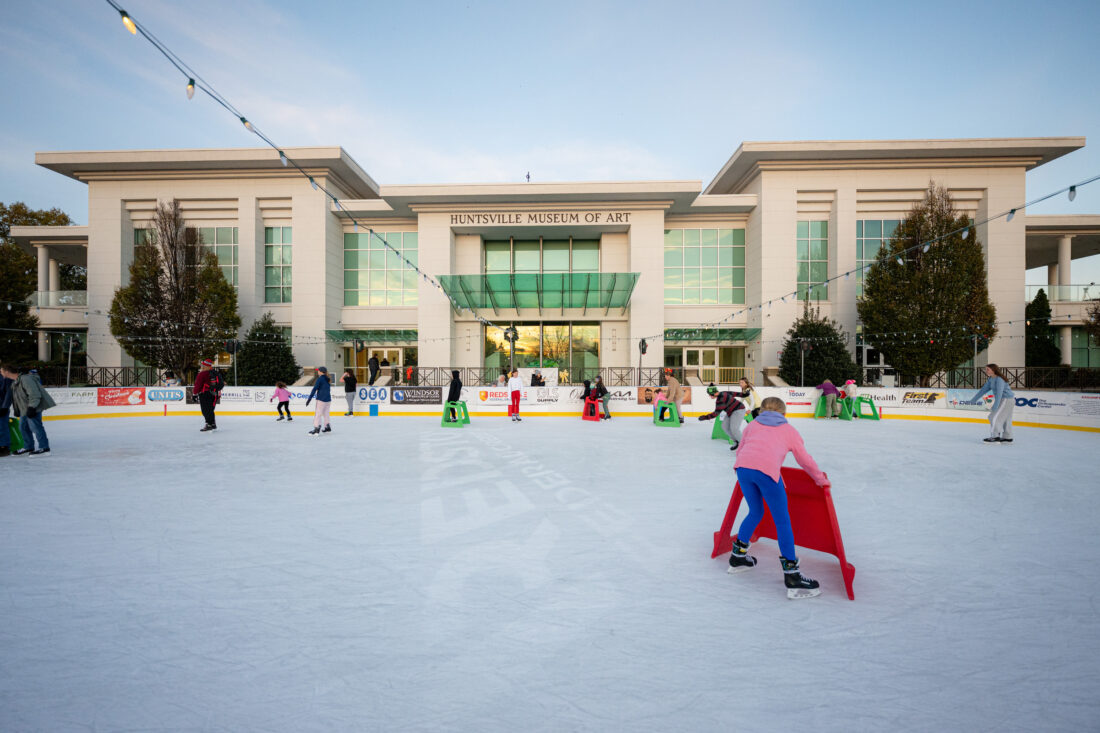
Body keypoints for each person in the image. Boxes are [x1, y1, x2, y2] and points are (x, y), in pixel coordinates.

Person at [729, 396, 829, 599]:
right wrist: (820, 479)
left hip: (742, 469)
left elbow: (740, 450)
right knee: (782, 522)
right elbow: (805, 460)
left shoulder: (753, 424)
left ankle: (737, 556)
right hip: (765, 473)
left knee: (755, 512)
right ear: (784, 414)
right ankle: (792, 575)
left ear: (762, 411)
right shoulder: (788, 430)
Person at [7, 364, 56, 456]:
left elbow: (35, 394)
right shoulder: (16, 382)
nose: (1, 373)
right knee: (23, 427)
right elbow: (18, 397)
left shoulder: (26, 379)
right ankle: (28, 447)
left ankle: (44, 448)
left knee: (36, 427)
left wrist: (32, 407)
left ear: (7, 372)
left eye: (1, 371)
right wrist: (17, 409)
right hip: (25, 408)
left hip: (32, 407)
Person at [966, 364, 1015, 444]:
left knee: (993, 417)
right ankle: (1007, 437)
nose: (986, 371)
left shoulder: (999, 379)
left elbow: (999, 393)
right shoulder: (991, 379)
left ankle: (995, 437)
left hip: (1006, 399)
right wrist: (974, 400)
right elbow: (983, 390)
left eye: (988, 369)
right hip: (1007, 400)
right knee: (1006, 419)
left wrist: (995, 406)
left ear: (993, 370)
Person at [698, 383, 747, 450]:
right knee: (724, 426)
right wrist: (743, 394)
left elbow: (715, 414)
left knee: (734, 429)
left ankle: (744, 446)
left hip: (739, 410)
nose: (709, 396)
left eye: (710, 394)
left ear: (714, 393)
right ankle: (736, 441)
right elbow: (734, 393)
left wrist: (704, 417)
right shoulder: (723, 393)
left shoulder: (720, 401)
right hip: (731, 412)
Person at [193, 359, 223, 432]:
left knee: (205, 410)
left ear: (204, 366)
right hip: (214, 394)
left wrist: (194, 394)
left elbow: (198, 385)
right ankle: (213, 424)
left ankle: (209, 424)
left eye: (202, 365)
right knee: (210, 409)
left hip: (205, 393)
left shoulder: (202, 374)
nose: (202, 367)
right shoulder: (215, 373)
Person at [306, 366, 333, 435]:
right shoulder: (328, 379)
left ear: (321, 372)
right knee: (326, 413)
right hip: (328, 400)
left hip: (321, 399)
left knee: (318, 414)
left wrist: (309, 399)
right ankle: (327, 426)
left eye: (318, 370)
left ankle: (316, 428)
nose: (317, 371)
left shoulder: (320, 379)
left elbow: (314, 389)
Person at [1, 365, 17, 457]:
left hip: (1, 407)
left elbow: (8, 393)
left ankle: (4, 447)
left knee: (2, 427)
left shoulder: (5, 378)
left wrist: (5, 407)